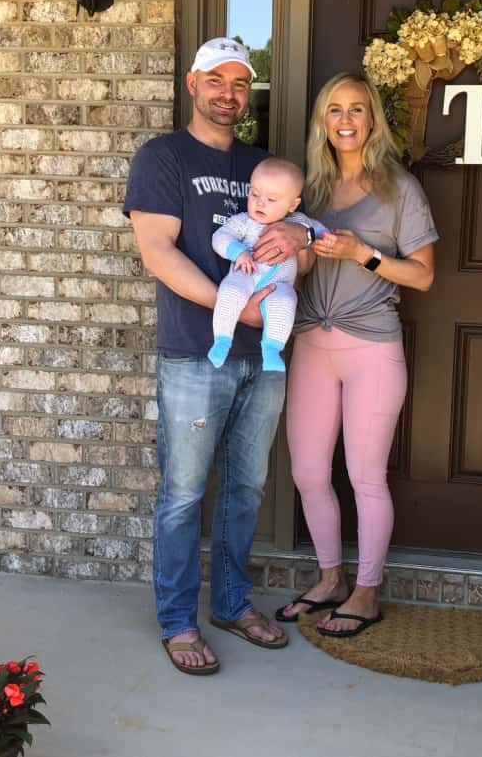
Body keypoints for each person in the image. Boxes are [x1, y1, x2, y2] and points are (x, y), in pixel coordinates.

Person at [123, 38, 312, 674]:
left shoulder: (267, 166)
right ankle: (179, 621)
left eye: (239, 83)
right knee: (182, 493)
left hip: (268, 359)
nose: (229, 93)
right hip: (193, 353)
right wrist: (237, 310)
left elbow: (306, 249)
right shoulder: (163, 157)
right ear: (192, 83)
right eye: (217, 80)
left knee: (246, 486)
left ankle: (232, 603)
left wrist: (295, 235)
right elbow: (158, 252)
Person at [277, 72, 438, 637]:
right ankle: (330, 580)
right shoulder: (309, 190)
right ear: (323, 120)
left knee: (365, 475)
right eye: (335, 110)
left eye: (357, 110)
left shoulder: (400, 188)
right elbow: (293, 268)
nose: (345, 121)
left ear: (372, 121)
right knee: (306, 471)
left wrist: (361, 253)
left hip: (371, 345)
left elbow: (422, 277)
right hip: (311, 344)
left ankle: (366, 592)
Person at [209, 158, 328, 372]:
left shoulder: (299, 222)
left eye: (271, 199)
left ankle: (272, 349)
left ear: (292, 205)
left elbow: (320, 232)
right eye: (254, 194)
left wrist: (323, 237)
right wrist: (239, 252)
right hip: (245, 274)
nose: (260, 203)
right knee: (230, 293)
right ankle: (222, 340)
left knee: (286, 301)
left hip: (279, 283)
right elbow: (220, 237)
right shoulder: (244, 221)